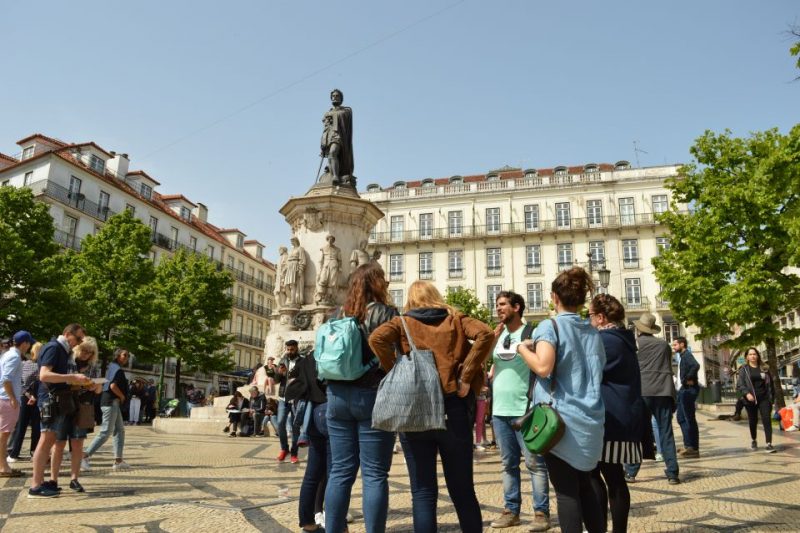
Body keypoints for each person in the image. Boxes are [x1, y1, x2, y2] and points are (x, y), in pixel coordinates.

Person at [369, 280, 493, 533]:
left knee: (423, 491)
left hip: (416, 410)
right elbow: (486, 334)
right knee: (462, 489)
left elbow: (376, 338)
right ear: (436, 296)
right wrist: (465, 377)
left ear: (411, 300)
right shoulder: (456, 318)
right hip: (453, 409)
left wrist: (395, 370)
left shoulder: (403, 322)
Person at [516, 267, 606, 533]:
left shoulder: (550, 325)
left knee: (567, 493)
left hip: (561, 424)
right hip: (591, 419)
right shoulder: (591, 330)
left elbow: (543, 367)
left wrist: (522, 349)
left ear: (554, 297)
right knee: (587, 487)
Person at [324, 262, 398, 533]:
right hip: (373, 396)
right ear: (375, 283)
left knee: (340, 472)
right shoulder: (386, 313)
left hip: (337, 396)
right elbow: (398, 354)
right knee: (375, 473)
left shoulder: (335, 314)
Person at [487, 291, 551, 531]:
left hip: (525, 408)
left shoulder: (531, 333)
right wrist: (491, 340)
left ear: (517, 307)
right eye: (497, 305)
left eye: (503, 304)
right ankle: (511, 510)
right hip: (499, 409)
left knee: (535, 463)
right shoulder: (499, 333)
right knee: (507, 464)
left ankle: (541, 513)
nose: (499, 308)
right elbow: (488, 362)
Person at [588, 295, 645, 533]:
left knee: (596, 476)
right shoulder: (622, 338)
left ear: (600, 318)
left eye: (589, 316)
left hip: (608, 418)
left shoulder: (605, 340)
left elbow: (590, 373)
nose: (588, 320)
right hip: (622, 414)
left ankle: (601, 528)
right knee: (613, 477)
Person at [29, 323, 93, 498]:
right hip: (50, 400)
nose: (79, 342)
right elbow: (44, 375)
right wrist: (72, 377)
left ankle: (40, 483)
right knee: (45, 442)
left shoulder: (61, 350)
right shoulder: (54, 347)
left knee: (48, 441)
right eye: (78, 338)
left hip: (55, 400)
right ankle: (35, 486)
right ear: (67, 334)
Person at [624, 313, 680, 485]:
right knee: (666, 432)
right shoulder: (664, 345)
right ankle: (672, 473)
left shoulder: (635, 345)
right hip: (663, 390)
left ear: (640, 329)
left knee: (636, 432)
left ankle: (631, 471)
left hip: (642, 391)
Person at [51, 337, 102, 493]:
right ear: (77, 348)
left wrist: (95, 386)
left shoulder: (94, 367)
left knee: (78, 444)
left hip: (83, 406)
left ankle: (74, 479)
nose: (86, 354)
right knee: (58, 443)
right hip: (64, 405)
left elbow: (99, 390)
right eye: (84, 350)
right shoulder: (66, 361)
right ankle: (53, 479)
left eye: (90, 352)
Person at [82, 347, 131, 472]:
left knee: (119, 430)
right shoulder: (117, 370)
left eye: (128, 356)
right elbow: (113, 386)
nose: (127, 358)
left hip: (110, 402)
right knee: (105, 432)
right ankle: (84, 456)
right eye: (124, 355)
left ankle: (118, 460)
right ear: (118, 356)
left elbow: (106, 382)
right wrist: (122, 396)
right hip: (111, 402)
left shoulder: (112, 367)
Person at [296, 350, 328, 532]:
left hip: (313, 413)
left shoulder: (309, 357)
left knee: (312, 474)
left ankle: (308, 524)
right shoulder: (339, 350)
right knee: (336, 472)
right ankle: (338, 525)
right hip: (332, 408)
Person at [0, 331, 33, 477]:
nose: (29, 346)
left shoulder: (7, 354)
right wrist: (13, 397)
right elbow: (6, 379)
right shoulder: (14, 357)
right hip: (7, 400)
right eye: (29, 343)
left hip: (3, 398)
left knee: (3, 433)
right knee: (4, 434)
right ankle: (3, 467)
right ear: (24, 343)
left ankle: (3, 465)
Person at [7, 341, 42, 462]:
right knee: (32, 427)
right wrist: (32, 396)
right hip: (33, 398)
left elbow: (21, 383)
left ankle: (15, 453)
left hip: (27, 397)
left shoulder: (24, 364)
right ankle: (31, 452)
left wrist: (28, 394)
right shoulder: (40, 366)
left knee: (23, 426)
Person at [737, 347, 776, 452]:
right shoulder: (744, 369)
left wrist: (771, 399)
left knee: (767, 419)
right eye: (750, 354)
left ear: (758, 355)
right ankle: (754, 439)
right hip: (750, 399)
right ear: (747, 357)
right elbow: (740, 384)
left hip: (764, 398)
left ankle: (769, 443)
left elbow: (770, 384)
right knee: (753, 420)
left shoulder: (764, 368)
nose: (753, 356)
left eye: (754, 354)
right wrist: (747, 393)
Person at [673, 337, 700, 458]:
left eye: (675, 345)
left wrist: (687, 379)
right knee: (681, 418)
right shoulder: (682, 356)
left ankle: (692, 448)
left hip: (687, 390)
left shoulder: (687, 355)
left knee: (688, 418)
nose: (674, 347)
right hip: (683, 390)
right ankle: (688, 445)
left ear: (682, 344)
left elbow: (695, 365)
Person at [277, 340, 302, 463]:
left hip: (296, 398)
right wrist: (279, 373)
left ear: (296, 348)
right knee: (280, 422)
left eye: (292, 349)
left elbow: (305, 378)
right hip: (283, 397)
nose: (289, 351)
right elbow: (276, 380)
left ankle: (294, 452)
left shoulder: (302, 361)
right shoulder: (282, 361)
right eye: (288, 349)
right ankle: (284, 448)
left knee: (295, 426)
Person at [315, 234, 342, 306]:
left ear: (333, 240)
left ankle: (329, 297)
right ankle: (321, 296)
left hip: (334, 265)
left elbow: (339, 260)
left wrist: (340, 268)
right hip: (326, 265)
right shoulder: (323, 249)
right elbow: (321, 260)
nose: (330, 240)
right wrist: (319, 271)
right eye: (329, 239)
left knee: (332, 282)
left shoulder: (337, 249)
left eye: (332, 239)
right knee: (322, 280)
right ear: (327, 240)